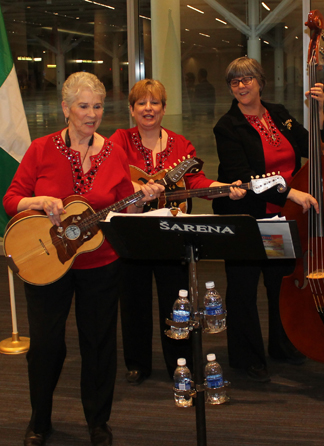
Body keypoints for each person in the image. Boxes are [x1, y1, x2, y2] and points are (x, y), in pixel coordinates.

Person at [3, 72, 164, 446]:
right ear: (65, 109)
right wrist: (38, 202)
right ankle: (39, 421)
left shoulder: (115, 151)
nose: (91, 115)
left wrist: (145, 197)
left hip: (100, 262)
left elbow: (126, 201)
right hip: (46, 262)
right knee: (45, 345)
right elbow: (11, 199)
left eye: (97, 106)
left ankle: (97, 422)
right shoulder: (41, 149)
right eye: (83, 106)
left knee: (99, 344)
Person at [109, 78, 245, 385]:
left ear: (164, 108)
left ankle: (178, 361)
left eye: (154, 102)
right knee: (133, 299)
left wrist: (222, 189)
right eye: (141, 103)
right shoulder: (118, 141)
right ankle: (137, 363)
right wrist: (136, 187)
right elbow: (110, 178)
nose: (148, 108)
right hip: (133, 230)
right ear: (132, 110)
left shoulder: (181, 145)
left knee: (176, 299)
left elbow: (195, 183)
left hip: (171, 232)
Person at [212, 57, 324, 382]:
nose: (242, 86)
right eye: (235, 82)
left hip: (278, 218)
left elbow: (312, 147)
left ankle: (283, 345)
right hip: (248, 218)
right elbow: (242, 178)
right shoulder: (227, 126)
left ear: (260, 81)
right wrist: (289, 193)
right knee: (244, 289)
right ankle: (247, 358)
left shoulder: (279, 114)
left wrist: (319, 111)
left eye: (247, 79)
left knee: (279, 285)